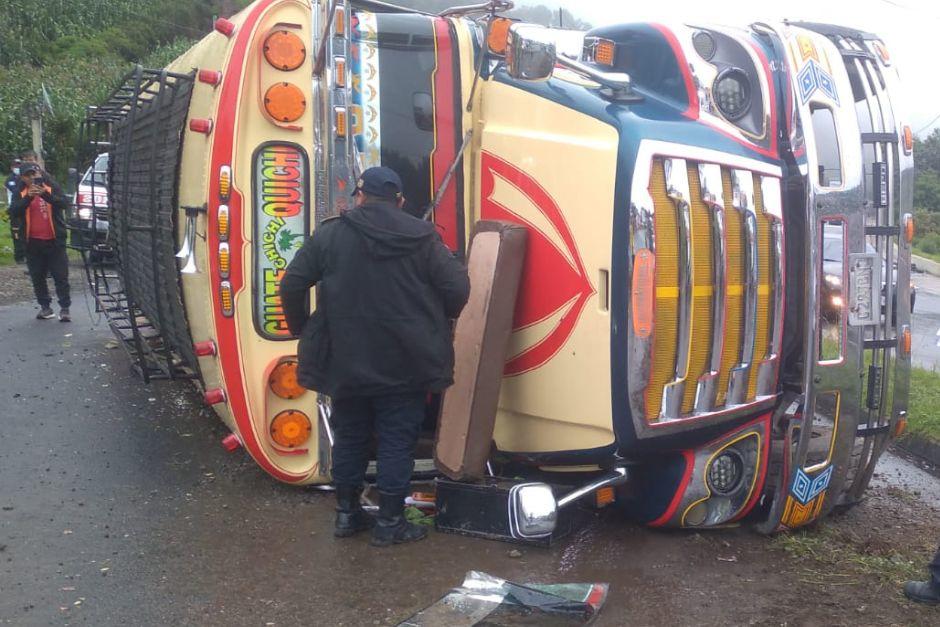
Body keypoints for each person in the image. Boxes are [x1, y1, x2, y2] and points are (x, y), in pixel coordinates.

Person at [280, 166, 470, 547]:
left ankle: (347, 514)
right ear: (399, 201)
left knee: (350, 435)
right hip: (407, 359)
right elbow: (458, 287)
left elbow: (292, 284)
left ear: (360, 196)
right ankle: (390, 522)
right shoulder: (423, 238)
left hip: (345, 358)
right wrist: (439, 317)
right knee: (397, 439)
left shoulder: (331, 235)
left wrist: (303, 328)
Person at [8, 160, 71, 321]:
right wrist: (28, 198)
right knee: (37, 276)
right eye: (28, 175)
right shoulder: (20, 191)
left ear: (40, 173)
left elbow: (64, 203)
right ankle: (45, 307)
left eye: (34, 174)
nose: (32, 178)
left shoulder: (51, 187)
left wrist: (45, 195)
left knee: (61, 276)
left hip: (54, 240)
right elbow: (13, 211)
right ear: (22, 178)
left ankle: (65, 308)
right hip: (32, 242)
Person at [4, 159, 26, 264]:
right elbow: (16, 191)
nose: (17, 168)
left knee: (26, 231)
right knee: (16, 232)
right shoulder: (10, 179)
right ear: (11, 167)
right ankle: (19, 256)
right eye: (15, 166)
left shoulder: (24, 177)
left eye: (19, 165)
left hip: (25, 206)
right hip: (14, 208)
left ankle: (27, 254)